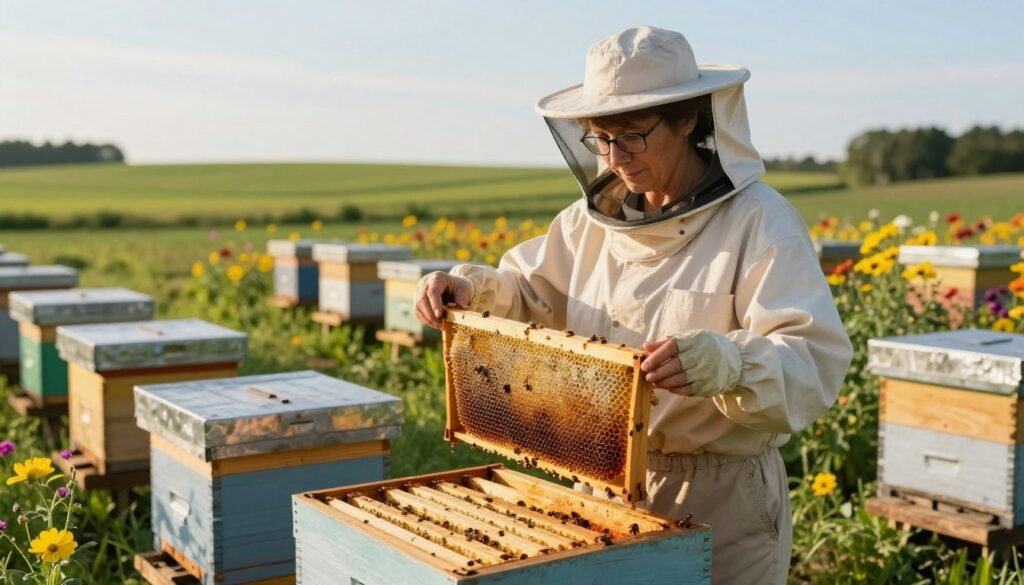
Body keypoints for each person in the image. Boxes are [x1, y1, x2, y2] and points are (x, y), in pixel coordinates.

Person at [414, 25, 852, 584]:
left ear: (687, 118)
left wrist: (730, 363)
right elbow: (528, 297)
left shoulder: (760, 223)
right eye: (600, 138)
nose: (615, 158)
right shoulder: (583, 225)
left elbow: (814, 360)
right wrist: (471, 292)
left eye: (632, 137)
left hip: (719, 495)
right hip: (598, 484)